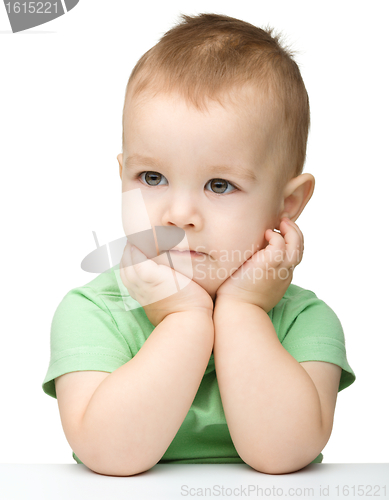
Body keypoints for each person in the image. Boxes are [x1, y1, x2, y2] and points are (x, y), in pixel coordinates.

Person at [42, 13, 356, 476]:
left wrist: (243, 309)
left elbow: (284, 455)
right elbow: (108, 456)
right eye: (152, 177)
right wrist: (183, 318)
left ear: (287, 204)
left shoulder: (304, 321)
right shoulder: (94, 311)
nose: (177, 214)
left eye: (220, 185)